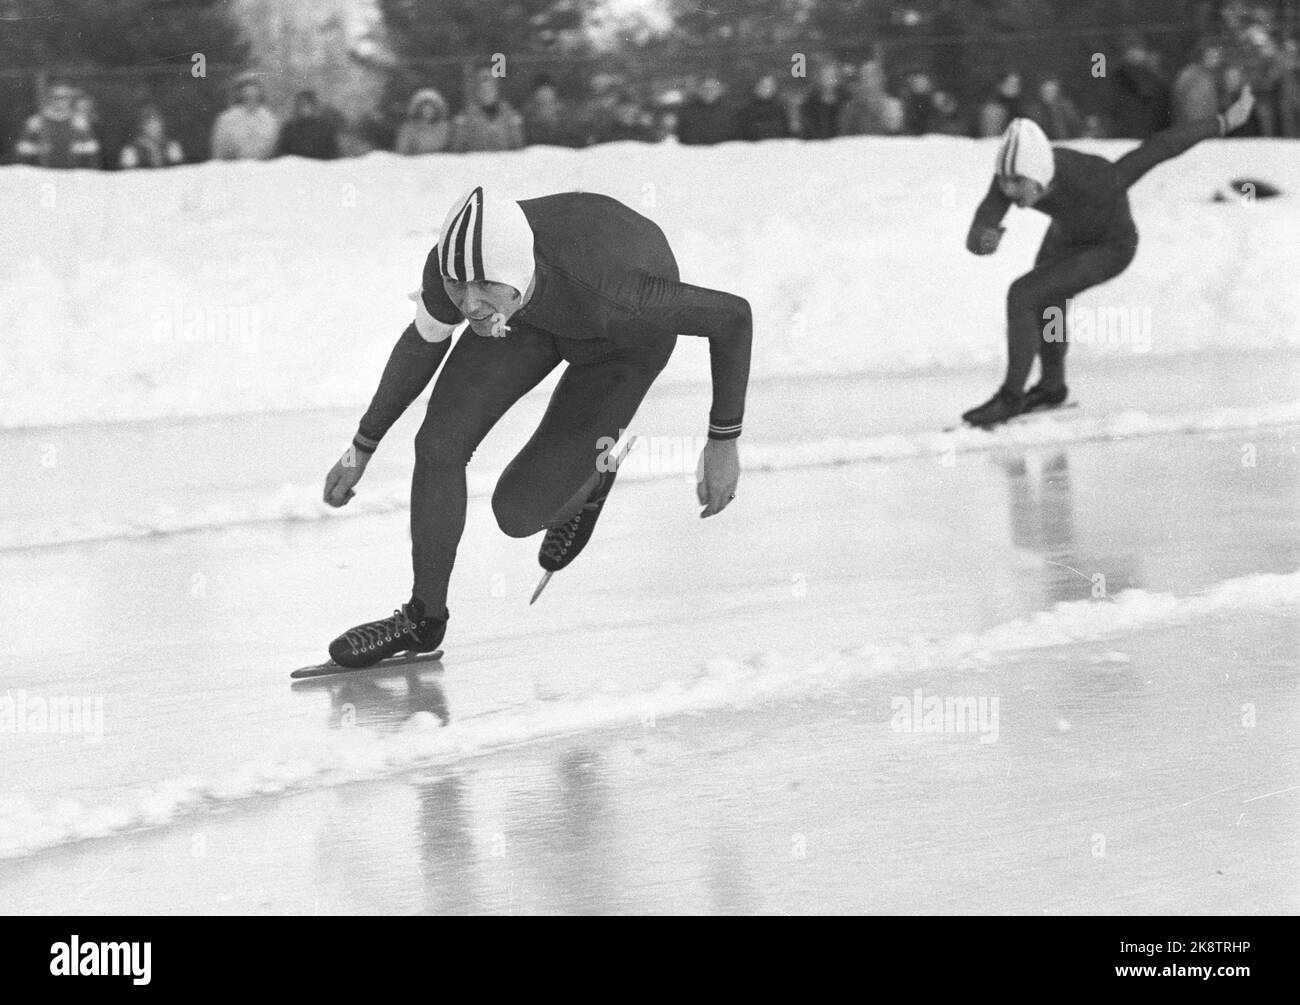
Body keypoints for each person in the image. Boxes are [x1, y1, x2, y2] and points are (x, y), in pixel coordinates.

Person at [321, 188, 753, 667]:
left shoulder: (621, 293)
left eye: (483, 285)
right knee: (438, 443)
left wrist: (723, 441)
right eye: (458, 286)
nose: (469, 303)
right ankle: (423, 618)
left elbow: (733, 318)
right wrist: (361, 446)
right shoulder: (458, 262)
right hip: (530, 312)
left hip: (618, 339)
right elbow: (423, 344)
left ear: (514, 271)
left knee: (518, 514)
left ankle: (592, 478)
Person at [959, 89, 1256, 428]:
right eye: (1003, 181)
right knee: (1047, 304)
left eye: (1017, 183)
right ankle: (1052, 387)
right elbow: (980, 228)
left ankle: (1011, 398)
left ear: (1040, 177)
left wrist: (1222, 121)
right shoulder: (1012, 175)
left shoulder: (1096, 179)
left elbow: (1157, 149)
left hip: (1111, 247)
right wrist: (984, 240)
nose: (1008, 190)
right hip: (1065, 239)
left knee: (1023, 294)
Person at [13, 82, 101, 168]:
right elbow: (21, 148)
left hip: (72, 173)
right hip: (42, 172)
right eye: (56, 97)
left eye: (64, 97)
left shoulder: (78, 121)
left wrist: (77, 148)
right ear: (49, 98)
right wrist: (38, 148)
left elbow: (92, 148)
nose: (60, 101)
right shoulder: (37, 121)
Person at [211, 72, 279, 160]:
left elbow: (275, 148)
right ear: (239, 92)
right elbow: (218, 151)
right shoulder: (226, 119)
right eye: (246, 87)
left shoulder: (270, 119)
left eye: (254, 87)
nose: (250, 92)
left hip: (263, 169)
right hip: (233, 168)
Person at [451, 73, 524, 153]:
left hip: (504, 162)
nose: (487, 93)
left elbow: (518, 147)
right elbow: (458, 149)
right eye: (482, 90)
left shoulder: (509, 115)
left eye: (490, 90)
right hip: (476, 162)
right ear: (477, 92)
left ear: (497, 91)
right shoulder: (466, 117)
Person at [275, 90, 340, 160]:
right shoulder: (289, 128)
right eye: (301, 105)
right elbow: (281, 153)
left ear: (314, 106)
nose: (304, 108)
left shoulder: (325, 128)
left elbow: (333, 154)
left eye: (307, 104)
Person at [1172, 41, 1225, 125]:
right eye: (1211, 56)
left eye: (1217, 57)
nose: (1215, 60)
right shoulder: (1194, 74)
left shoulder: (1208, 76)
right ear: (1202, 56)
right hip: (1194, 127)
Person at [118, 105, 184, 169]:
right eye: (149, 124)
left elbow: (179, 170)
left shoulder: (171, 146)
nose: (154, 127)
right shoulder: (130, 150)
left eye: (157, 123)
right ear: (141, 126)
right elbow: (127, 175)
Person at [677, 77, 736, 145]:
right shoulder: (687, 112)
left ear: (720, 90)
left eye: (713, 89)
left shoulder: (731, 112)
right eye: (705, 89)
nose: (708, 92)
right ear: (699, 90)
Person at [395, 88, 452, 154]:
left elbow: (452, 151)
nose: (428, 110)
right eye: (424, 107)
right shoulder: (408, 128)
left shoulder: (445, 127)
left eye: (431, 107)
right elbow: (402, 152)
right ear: (417, 109)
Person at [737, 74, 791, 141]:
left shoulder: (780, 108)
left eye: (770, 87)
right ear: (757, 87)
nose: (767, 90)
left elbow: (786, 130)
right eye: (764, 87)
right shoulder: (746, 109)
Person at [800, 64, 843, 139]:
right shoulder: (809, 104)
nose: (830, 80)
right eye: (826, 77)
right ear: (819, 79)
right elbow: (807, 130)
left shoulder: (847, 101)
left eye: (833, 77)